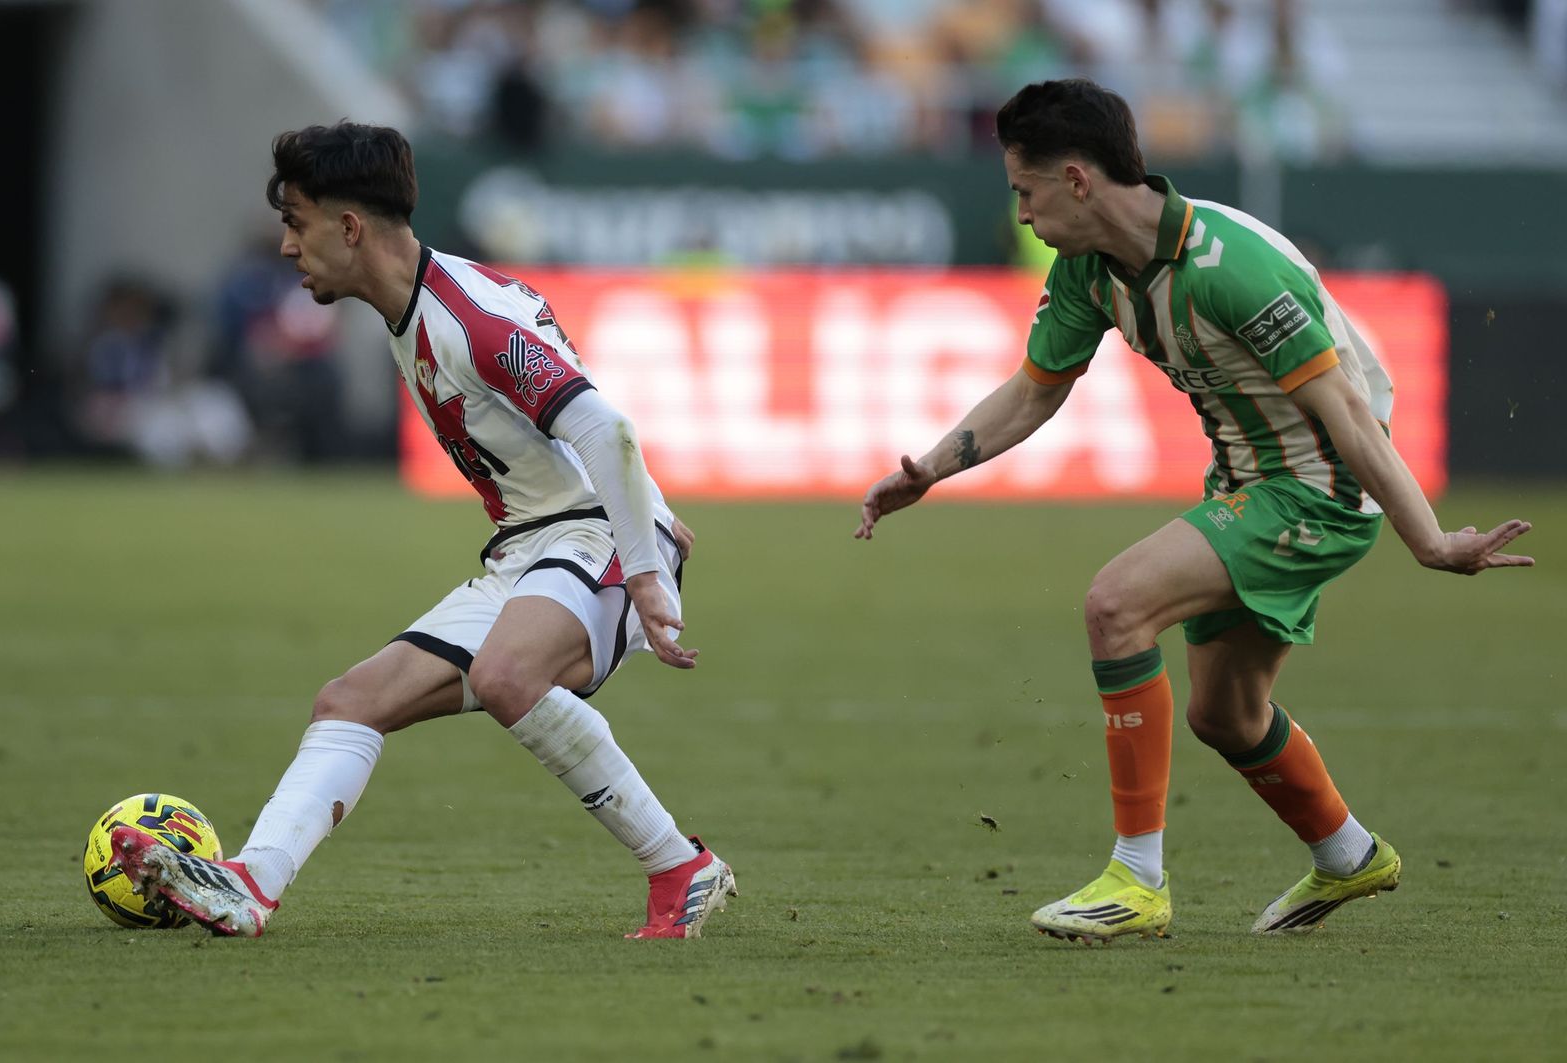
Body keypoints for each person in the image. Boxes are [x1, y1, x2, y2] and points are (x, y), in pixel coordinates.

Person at [854, 79, 1533, 944]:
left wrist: (1430, 540)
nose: (1019, 213)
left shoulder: (1232, 267)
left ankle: (1137, 878)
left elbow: (1351, 415)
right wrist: (934, 469)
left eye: (1023, 190)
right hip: (1248, 482)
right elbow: (1034, 392)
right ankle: (1349, 853)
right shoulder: (1090, 270)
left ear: (1076, 180)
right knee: (1227, 714)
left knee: (1117, 602)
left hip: (1318, 488)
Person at [111, 121, 736, 940]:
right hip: (537, 546)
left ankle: (679, 868)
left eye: (296, 221)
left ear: (349, 227)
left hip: (598, 538)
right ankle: (249, 884)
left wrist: (648, 567)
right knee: (350, 702)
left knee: (510, 673)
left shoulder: (465, 320)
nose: (286, 245)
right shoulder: (420, 305)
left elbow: (604, 427)